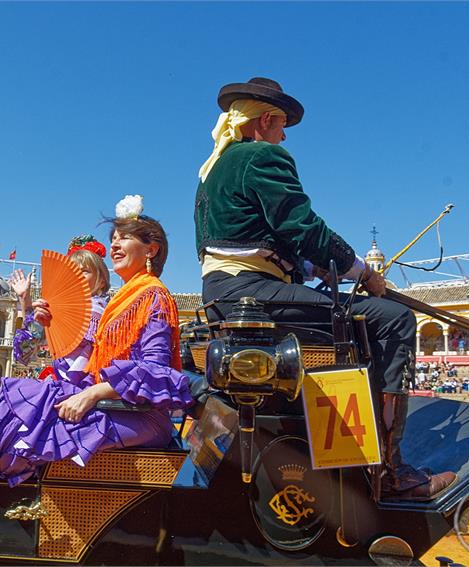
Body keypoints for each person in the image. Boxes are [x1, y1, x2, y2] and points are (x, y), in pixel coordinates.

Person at [193, 77, 455, 501]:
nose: (282, 137)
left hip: (227, 293)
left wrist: (315, 267)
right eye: (281, 128)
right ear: (265, 121)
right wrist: (359, 271)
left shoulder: (214, 170)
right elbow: (303, 227)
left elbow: (253, 239)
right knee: (394, 319)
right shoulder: (263, 155)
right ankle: (391, 472)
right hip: (254, 293)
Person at [0, 196, 193, 486]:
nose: (114, 244)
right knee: (16, 401)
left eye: (124, 238)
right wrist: (34, 316)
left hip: (136, 412)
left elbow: (154, 370)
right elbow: (24, 353)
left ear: (151, 249)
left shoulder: (151, 296)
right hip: (112, 403)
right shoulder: (125, 300)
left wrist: (91, 394)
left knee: (26, 421)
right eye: (113, 238)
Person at [11, 234, 111, 382]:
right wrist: (28, 304)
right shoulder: (54, 308)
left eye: (84, 271)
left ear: (102, 281)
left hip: (89, 387)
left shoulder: (107, 312)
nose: (76, 276)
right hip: (60, 383)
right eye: (71, 271)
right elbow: (25, 352)